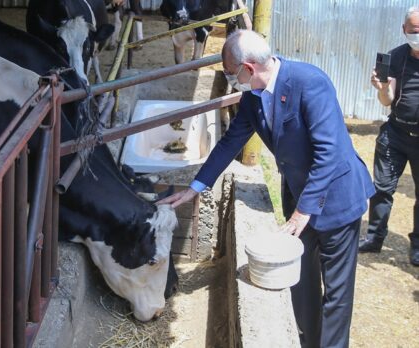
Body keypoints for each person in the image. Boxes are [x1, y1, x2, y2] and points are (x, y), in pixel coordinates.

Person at [156, 30, 375, 347]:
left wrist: (302, 212)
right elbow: (230, 143)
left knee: (337, 296)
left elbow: (330, 154)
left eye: (232, 74)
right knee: (302, 283)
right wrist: (195, 187)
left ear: (248, 67)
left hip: (337, 198)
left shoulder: (309, 82)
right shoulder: (253, 98)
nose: (231, 81)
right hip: (300, 198)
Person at [359, 6, 419, 267]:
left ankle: (417, 247)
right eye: (415, 30)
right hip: (395, 133)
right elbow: (387, 100)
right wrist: (382, 88)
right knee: (382, 189)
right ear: (404, 30)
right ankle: (374, 238)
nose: (418, 35)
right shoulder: (396, 56)